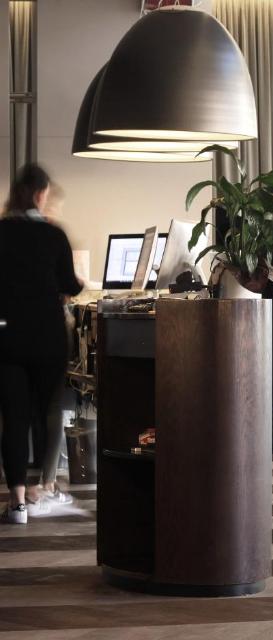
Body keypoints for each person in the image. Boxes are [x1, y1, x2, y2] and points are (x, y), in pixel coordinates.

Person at [0, 164, 82, 524]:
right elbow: (70, 284)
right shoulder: (53, 235)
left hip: (6, 337)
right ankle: (43, 490)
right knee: (47, 413)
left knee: (13, 418)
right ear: (38, 195)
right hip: (48, 336)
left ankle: (17, 503)